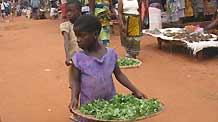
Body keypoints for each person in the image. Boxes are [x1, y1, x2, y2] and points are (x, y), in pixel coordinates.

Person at [69, 15, 147, 122]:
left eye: (82, 36)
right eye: (76, 36)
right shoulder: (78, 59)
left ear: (95, 34)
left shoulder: (111, 54)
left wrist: (135, 90)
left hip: (109, 104)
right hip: (90, 107)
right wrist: (74, 98)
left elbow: (119, 75)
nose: (78, 40)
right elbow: (75, 81)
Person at [59, 0, 81, 87]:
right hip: (74, 59)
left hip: (87, 58)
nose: (68, 14)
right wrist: (68, 56)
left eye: (71, 11)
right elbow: (66, 42)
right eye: (67, 11)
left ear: (79, 11)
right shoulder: (66, 26)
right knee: (75, 83)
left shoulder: (85, 24)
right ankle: (74, 99)